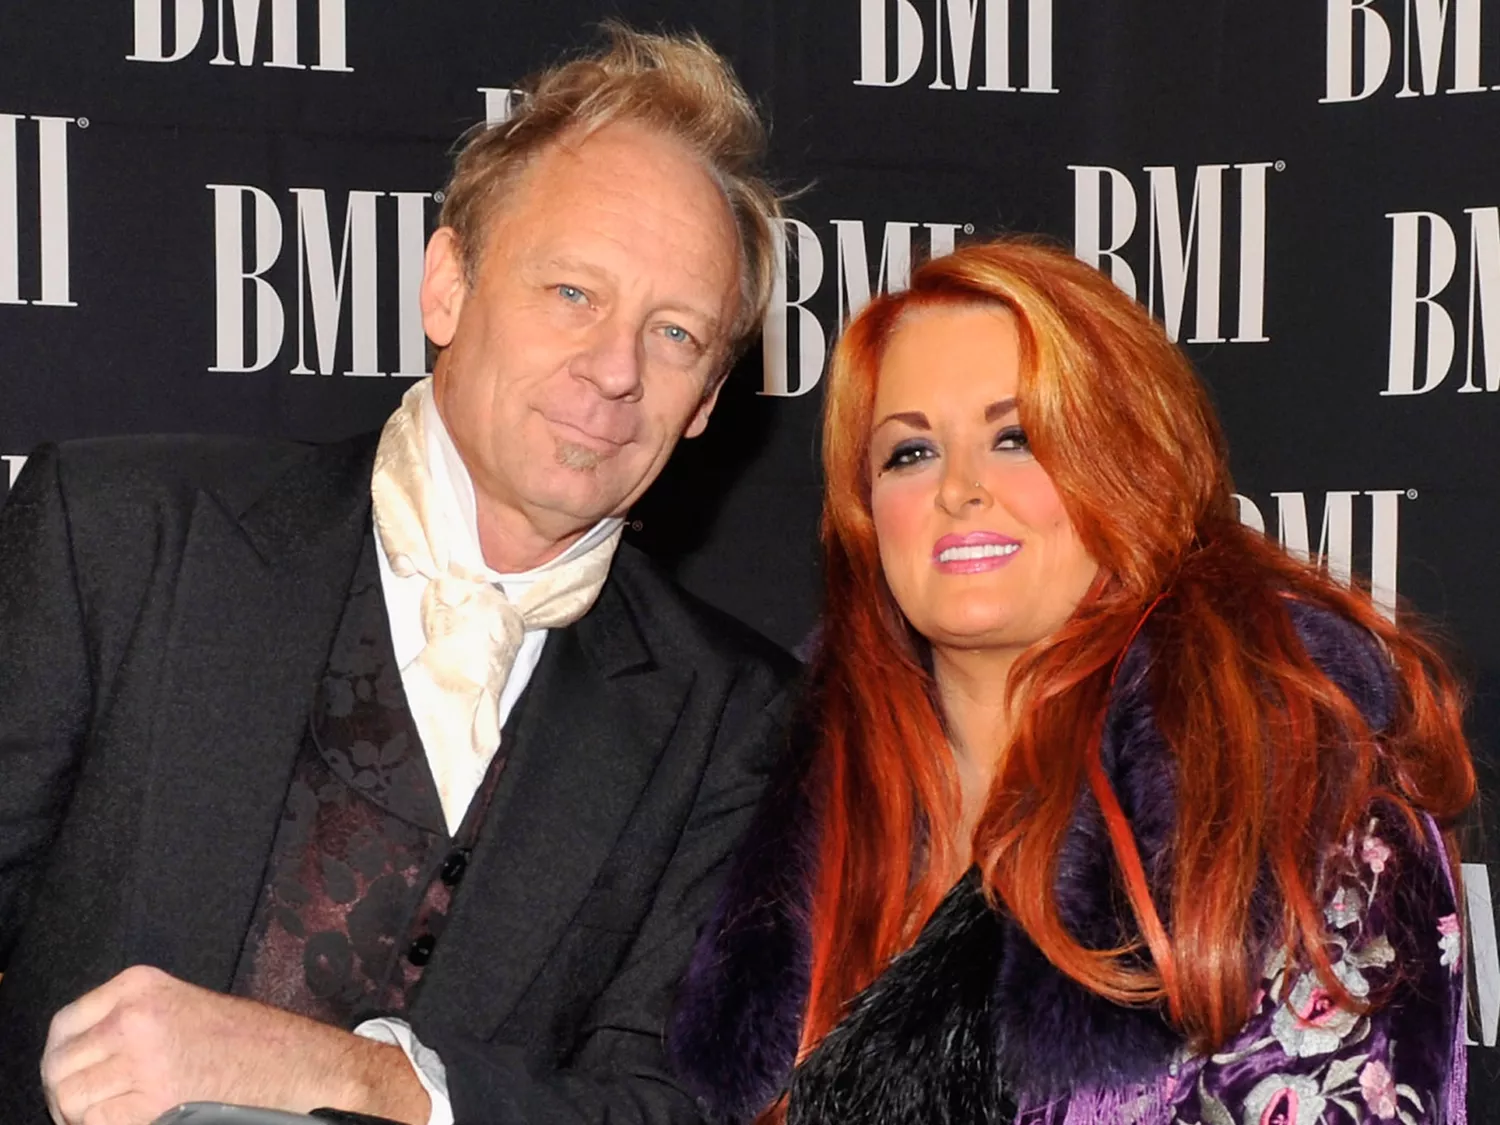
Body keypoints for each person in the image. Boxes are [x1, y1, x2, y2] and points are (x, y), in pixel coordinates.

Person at [0, 24, 796, 1125]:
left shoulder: (735, 719)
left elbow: (664, 1107)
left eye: (675, 334)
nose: (614, 371)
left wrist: (361, 1079)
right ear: (446, 289)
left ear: (708, 399)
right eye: (571, 292)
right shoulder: (122, 538)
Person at [668, 239, 1474, 1124]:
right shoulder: (769, 803)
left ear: (1126, 465)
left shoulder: (1291, 800)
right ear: (865, 517)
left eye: (1016, 437)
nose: (960, 489)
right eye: (909, 453)